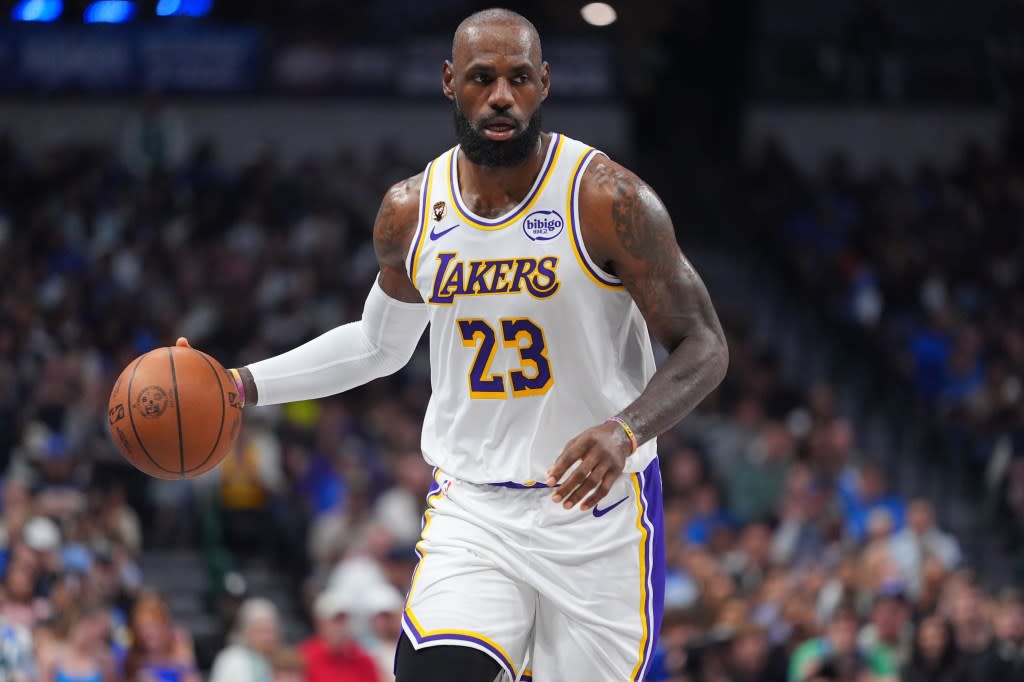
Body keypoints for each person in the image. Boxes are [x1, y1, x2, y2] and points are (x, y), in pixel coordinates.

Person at [180, 7, 728, 681]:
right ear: (448, 82)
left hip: (597, 515)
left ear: (545, 83)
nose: (501, 95)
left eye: (518, 77)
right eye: (481, 77)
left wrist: (624, 429)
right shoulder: (411, 211)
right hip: (476, 510)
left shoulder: (606, 200)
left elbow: (704, 344)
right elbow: (377, 345)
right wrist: (241, 385)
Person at [299, 589, 379, 682]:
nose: (342, 627)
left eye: (345, 620)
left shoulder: (364, 660)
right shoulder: (304, 657)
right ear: (320, 623)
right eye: (336, 620)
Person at [122, 594, 199, 682]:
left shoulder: (180, 653)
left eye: (152, 626)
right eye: (141, 628)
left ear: (164, 626)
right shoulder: (131, 659)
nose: (146, 633)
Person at [208, 598, 280, 682]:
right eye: (262, 631)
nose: (268, 637)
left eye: (271, 631)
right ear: (246, 631)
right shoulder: (230, 659)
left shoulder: (283, 659)